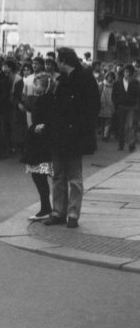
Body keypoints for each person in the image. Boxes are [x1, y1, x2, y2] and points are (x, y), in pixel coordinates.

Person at [43, 47, 99, 229]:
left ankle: (73, 214)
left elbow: (93, 106)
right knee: (58, 175)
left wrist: (83, 128)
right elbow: (54, 107)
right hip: (59, 135)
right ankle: (58, 212)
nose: (56, 64)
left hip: (76, 135)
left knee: (74, 177)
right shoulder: (61, 80)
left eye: (58, 60)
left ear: (64, 61)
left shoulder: (85, 78)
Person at [22, 73, 56, 221]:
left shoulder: (44, 100)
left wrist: (38, 127)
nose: (33, 86)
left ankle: (46, 208)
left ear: (44, 86)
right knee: (39, 177)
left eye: (36, 84)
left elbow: (44, 120)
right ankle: (46, 207)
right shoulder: (42, 99)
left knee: (39, 177)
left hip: (40, 142)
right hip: (40, 140)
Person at [112, 65, 139, 151]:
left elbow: (138, 94)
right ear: (123, 72)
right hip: (121, 106)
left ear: (131, 73)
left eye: (129, 72)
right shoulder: (117, 82)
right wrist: (116, 104)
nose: (127, 73)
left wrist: (131, 82)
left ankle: (131, 145)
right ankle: (121, 145)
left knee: (130, 126)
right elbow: (114, 95)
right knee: (121, 126)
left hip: (131, 107)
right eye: (126, 71)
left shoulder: (135, 82)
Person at [98, 71, 116, 141]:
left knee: (109, 121)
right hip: (103, 105)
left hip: (111, 105)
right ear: (106, 77)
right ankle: (104, 134)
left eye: (111, 77)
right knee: (103, 122)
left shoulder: (114, 85)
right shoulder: (102, 84)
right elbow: (99, 94)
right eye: (109, 76)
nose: (110, 78)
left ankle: (105, 135)